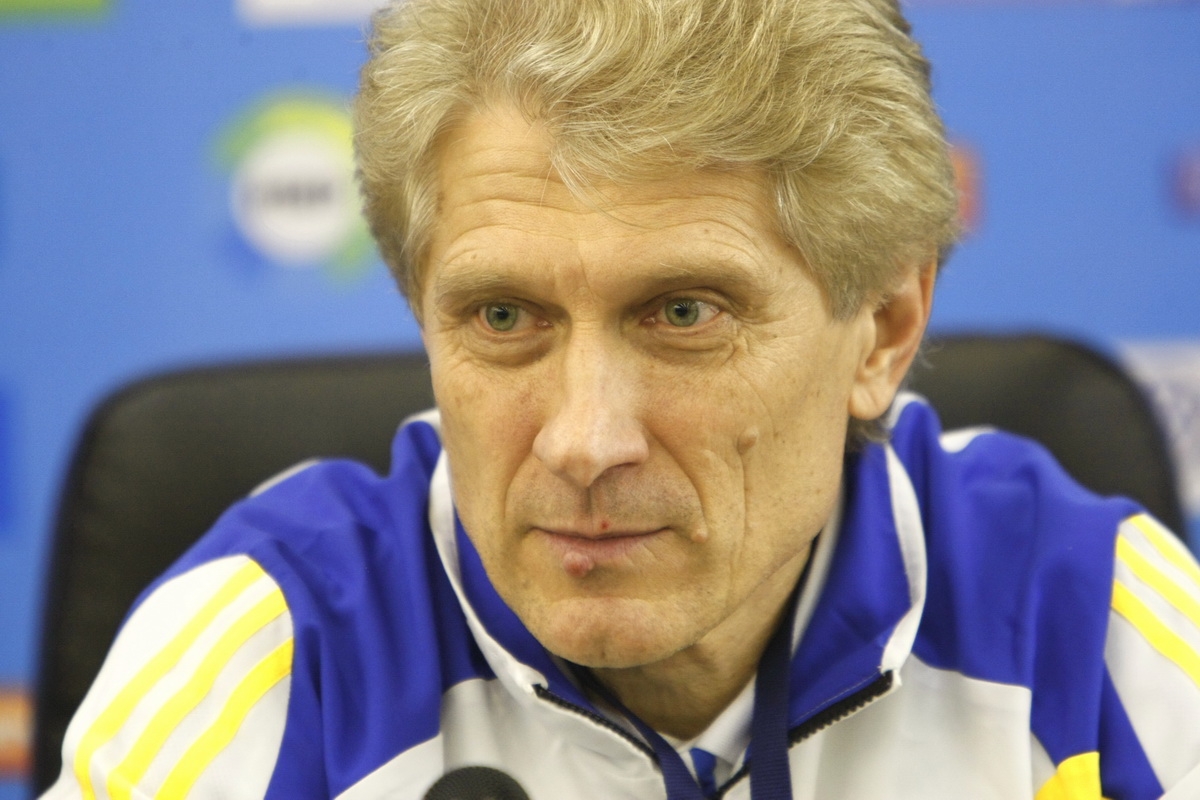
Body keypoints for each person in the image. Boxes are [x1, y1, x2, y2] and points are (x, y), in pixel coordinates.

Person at [43, 0, 1200, 797]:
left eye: (683, 312)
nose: (584, 439)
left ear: (884, 328)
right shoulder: (273, 650)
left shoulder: (1088, 624)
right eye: (505, 317)